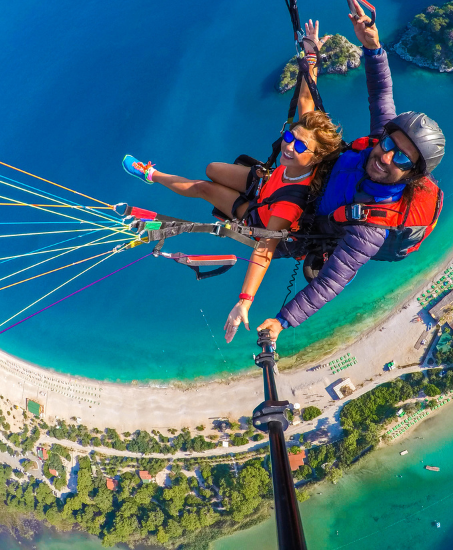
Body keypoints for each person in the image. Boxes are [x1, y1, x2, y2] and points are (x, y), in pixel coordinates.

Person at [119, 21, 345, 343]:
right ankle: (158, 175)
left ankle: (150, 174)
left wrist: (244, 301)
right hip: (269, 185)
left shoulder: (291, 203)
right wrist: (311, 56)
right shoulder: (298, 154)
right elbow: (307, 100)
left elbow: (265, 250)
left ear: (316, 157)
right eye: (289, 136)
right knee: (212, 168)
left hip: (260, 217)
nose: (288, 145)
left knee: (204, 189)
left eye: (298, 146)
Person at [255, 0, 447, 344]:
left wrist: (282, 322)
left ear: (413, 176)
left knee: (249, 226)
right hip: (321, 187)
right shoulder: (380, 142)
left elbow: (331, 282)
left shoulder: (371, 229)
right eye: (389, 145)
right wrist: (372, 45)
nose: (387, 157)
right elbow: (381, 93)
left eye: (402, 160)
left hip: (313, 226)